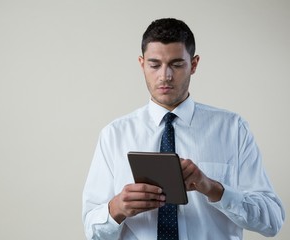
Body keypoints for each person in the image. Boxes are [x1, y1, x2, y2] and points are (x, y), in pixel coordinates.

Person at [82, 18, 285, 240]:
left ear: (194, 64)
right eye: (154, 64)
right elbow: (92, 231)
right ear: (142, 64)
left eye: (177, 64)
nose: (165, 76)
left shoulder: (233, 130)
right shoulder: (114, 135)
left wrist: (213, 189)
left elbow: (272, 221)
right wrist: (116, 209)